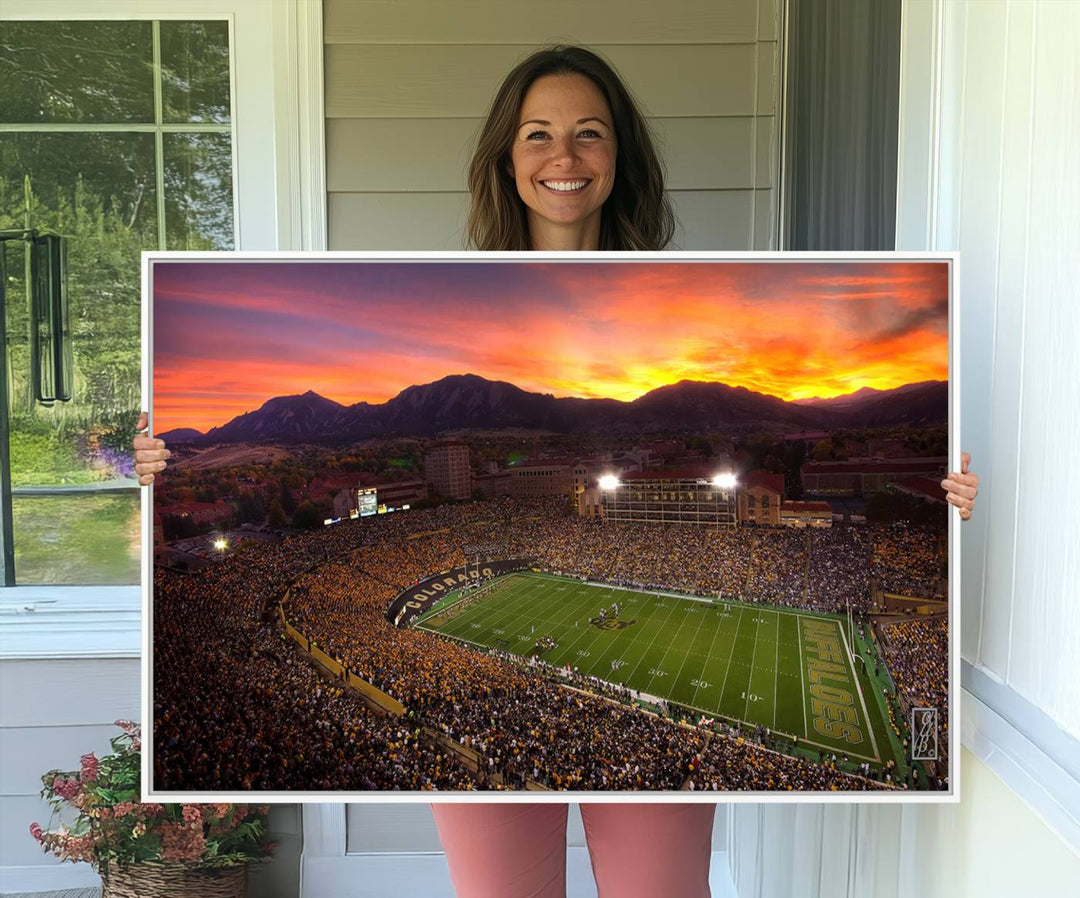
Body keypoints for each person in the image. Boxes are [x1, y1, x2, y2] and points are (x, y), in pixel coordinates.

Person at [134, 44, 978, 898]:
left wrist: (941, 499)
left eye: (589, 134)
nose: (563, 157)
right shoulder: (451, 301)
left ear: (620, 158)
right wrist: (162, 467)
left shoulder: (680, 295)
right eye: (538, 134)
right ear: (507, 157)